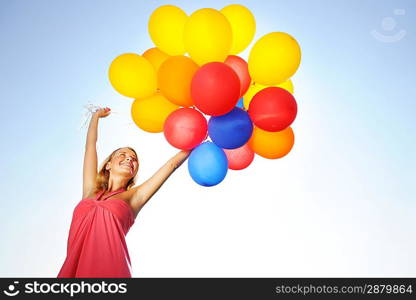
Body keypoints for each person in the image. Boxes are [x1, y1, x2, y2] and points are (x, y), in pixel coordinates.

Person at [58, 107, 190, 277]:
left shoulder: (134, 197)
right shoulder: (90, 190)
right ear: (108, 164)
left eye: (134, 159)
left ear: (134, 171)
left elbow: (172, 165)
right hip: (74, 271)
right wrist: (96, 117)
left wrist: (196, 140)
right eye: (122, 154)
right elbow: (90, 147)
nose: (129, 158)